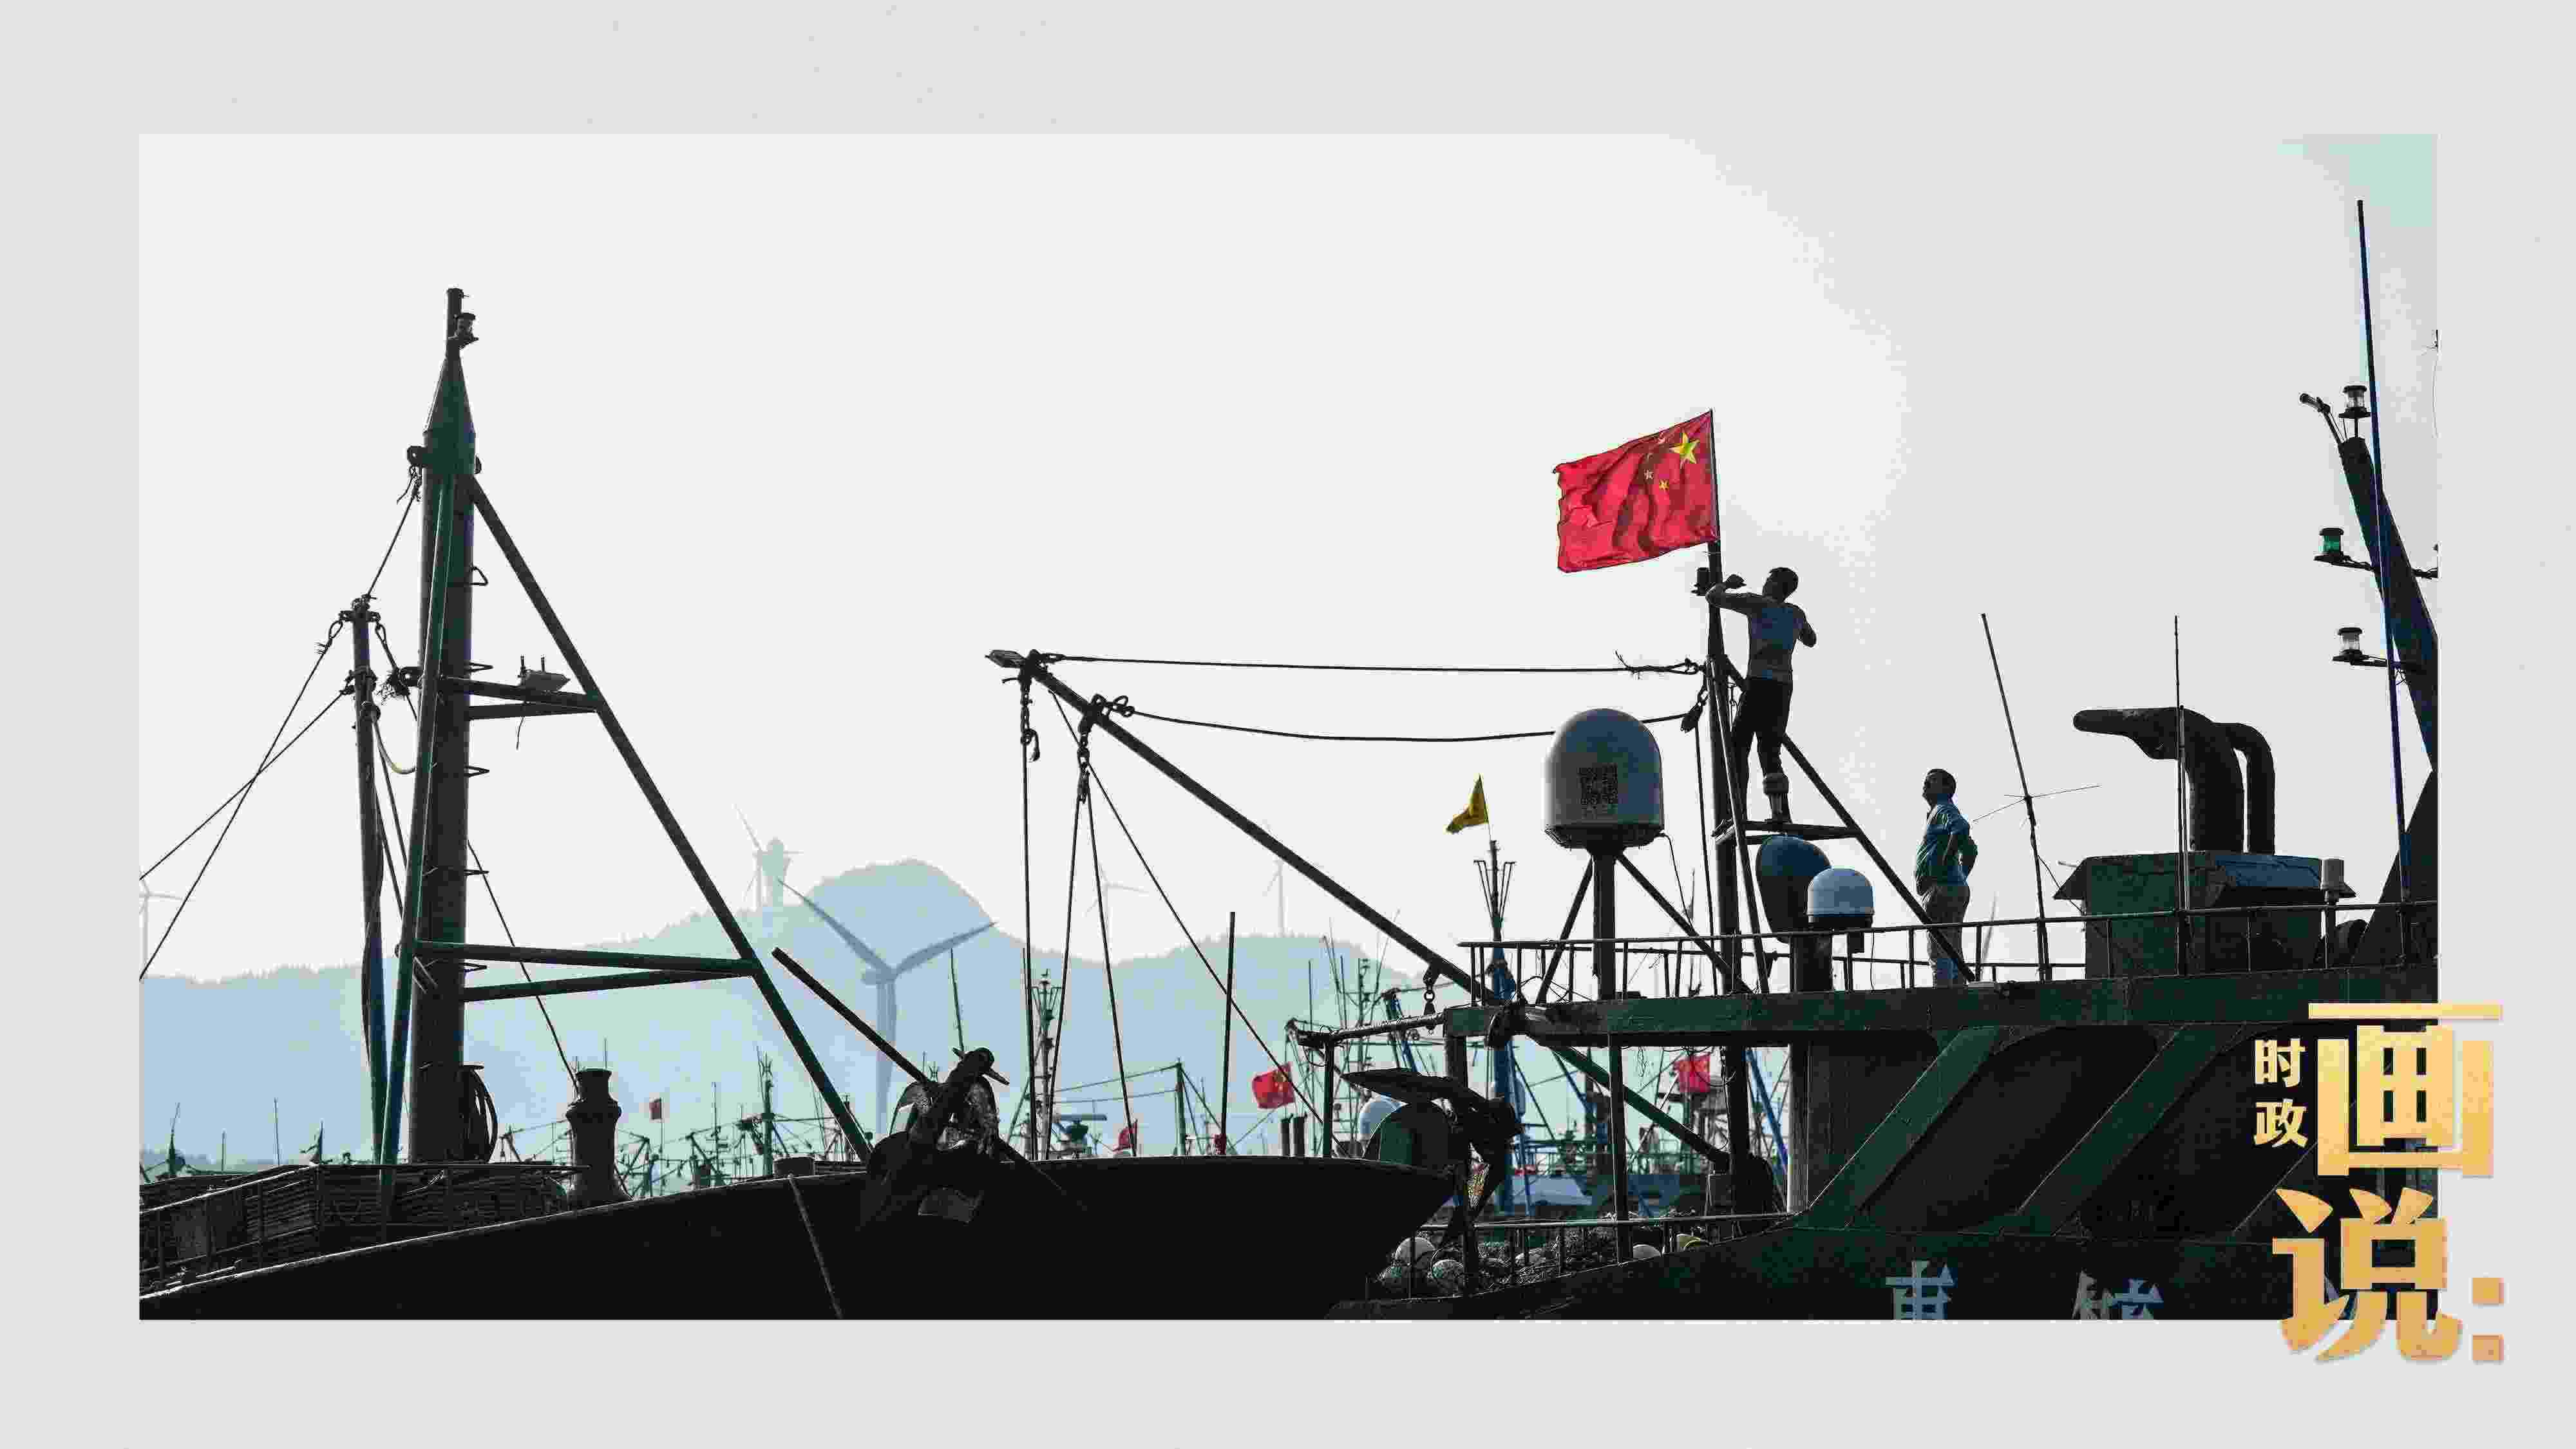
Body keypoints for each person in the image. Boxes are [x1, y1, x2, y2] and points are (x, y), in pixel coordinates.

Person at [1713, 567, 1819, 825]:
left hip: (1759, 682)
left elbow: (1713, 597)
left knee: (1738, 746)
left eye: (1768, 580)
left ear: (1774, 584)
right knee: (1770, 752)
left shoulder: (1756, 603)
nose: (1765, 583)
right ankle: (1781, 813)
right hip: (1783, 687)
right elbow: (1811, 639)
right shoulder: (1796, 613)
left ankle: (1737, 812)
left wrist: (1727, 583)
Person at [1915, 768, 1978, 985]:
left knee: (1939, 951)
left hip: (1941, 889)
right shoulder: (1941, 812)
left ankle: (1943, 999)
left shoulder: (1943, 808)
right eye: (1925, 780)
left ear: (1947, 788)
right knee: (1953, 950)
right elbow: (1971, 851)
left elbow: (1961, 828)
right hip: (1953, 887)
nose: (1925, 784)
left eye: (1932, 781)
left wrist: (1943, 867)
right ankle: (1959, 994)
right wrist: (1959, 878)